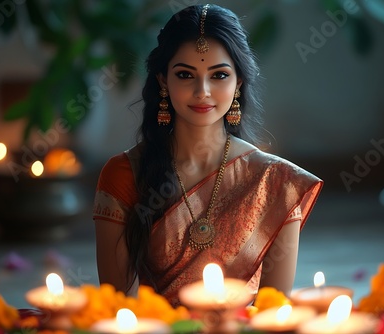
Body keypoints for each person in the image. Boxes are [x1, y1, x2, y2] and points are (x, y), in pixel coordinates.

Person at [93, 4, 323, 307]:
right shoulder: (124, 174)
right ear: (163, 80)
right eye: (186, 74)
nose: (202, 91)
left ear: (238, 81)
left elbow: (272, 312)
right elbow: (119, 308)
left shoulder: (276, 183)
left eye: (219, 75)